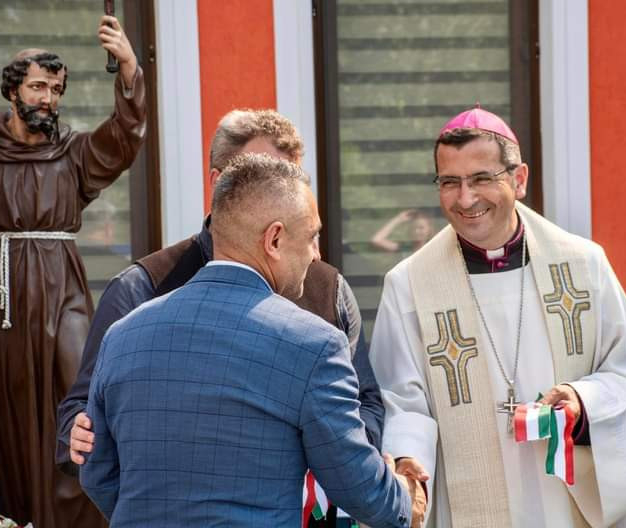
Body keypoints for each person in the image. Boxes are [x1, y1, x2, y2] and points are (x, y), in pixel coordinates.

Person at [56, 109, 385, 526]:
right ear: (220, 181)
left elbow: (366, 401)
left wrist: (333, 454)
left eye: (290, 176)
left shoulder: (328, 286)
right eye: (260, 172)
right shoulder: (140, 287)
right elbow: (82, 414)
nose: (279, 186)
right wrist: (80, 434)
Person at [369, 107, 626, 527]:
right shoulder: (409, 286)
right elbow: (403, 403)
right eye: (450, 182)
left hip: (565, 505)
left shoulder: (584, 266)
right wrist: (407, 467)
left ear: (519, 179)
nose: (465, 199)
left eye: (481, 178)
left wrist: (584, 403)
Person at [0, 15, 145, 527]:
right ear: (12, 91)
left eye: (55, 90)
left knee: (78, 391)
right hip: (4, 298)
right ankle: (21, 517)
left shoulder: (72, 154)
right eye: (38, 87)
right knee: (13, 409)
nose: (48, 99)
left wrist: (128, 67)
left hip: (63, 292)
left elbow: (123, 138)